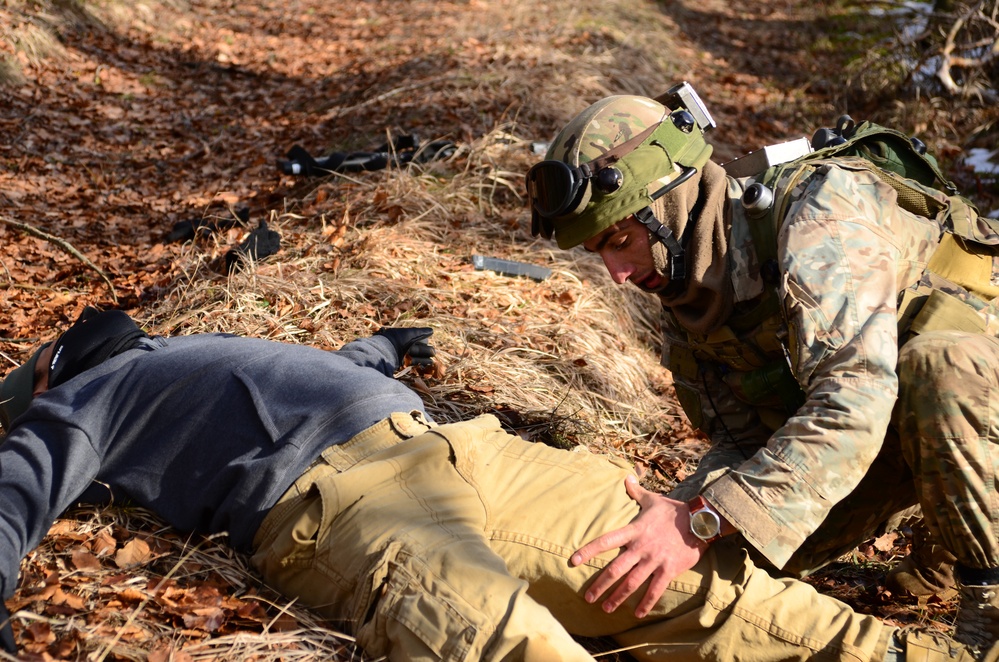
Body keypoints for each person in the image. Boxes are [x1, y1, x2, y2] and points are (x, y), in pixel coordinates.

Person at [0, 308, 989, 661]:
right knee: (508, 639)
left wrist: (390, 346)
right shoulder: (95, 391)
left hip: (464, 448)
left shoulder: (191, 350)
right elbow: (17, 488)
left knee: (721, 594)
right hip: (346, 497)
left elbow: (317, 366)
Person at [526, 83, 999, 655]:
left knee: (940, 365)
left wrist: (701, 519)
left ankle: (986, 599)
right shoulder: (692, 286)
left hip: (963, 397)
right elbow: (743, 440)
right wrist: (680, 516)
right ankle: (939, 516)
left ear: (668, 200)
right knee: (692, 563)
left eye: (620, 240)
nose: (617, 274)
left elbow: (856, 400)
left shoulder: (820, 214)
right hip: (890, 425)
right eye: (598, 253)